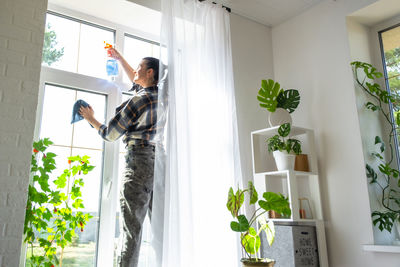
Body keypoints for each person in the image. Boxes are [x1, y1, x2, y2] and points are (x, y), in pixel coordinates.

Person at [79, 47, 163, 267]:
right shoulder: (161, 98)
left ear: (151, 72)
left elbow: (111, 134)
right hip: (158, 162)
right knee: (160, 230)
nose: (135, 71)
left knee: (131, 232)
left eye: (139, 68)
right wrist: (118, 58)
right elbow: (138, 83)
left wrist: (91, 118)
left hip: (138, 163)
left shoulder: (139, 101)